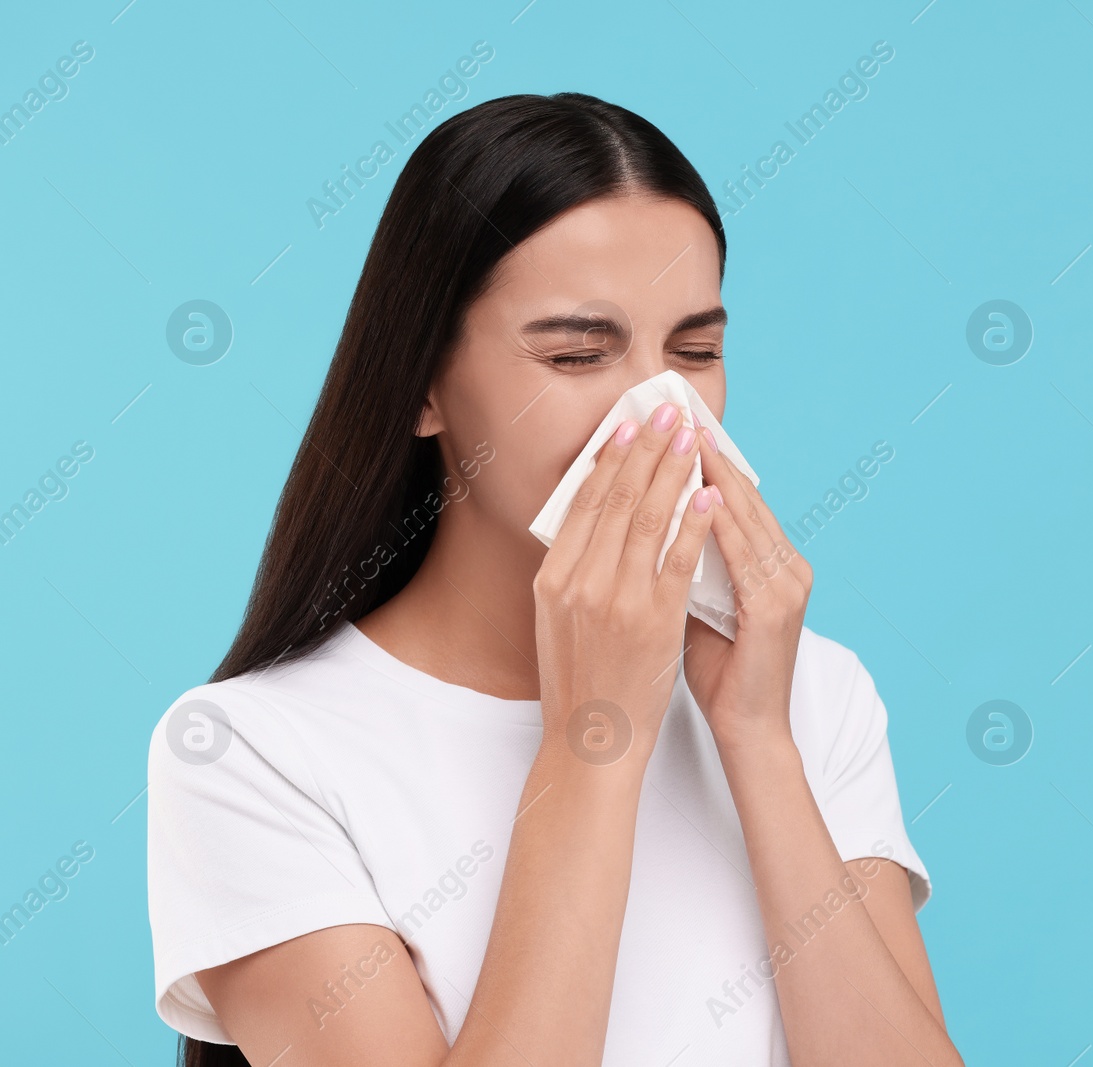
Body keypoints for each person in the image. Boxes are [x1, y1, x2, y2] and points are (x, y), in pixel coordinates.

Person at [146, 92, 962, 1066]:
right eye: (578, 352)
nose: (659, 412)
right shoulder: (252, 753)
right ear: (422, 384)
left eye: (695, 351)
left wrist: (755, 738)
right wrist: (592, 743)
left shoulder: (808, 694)